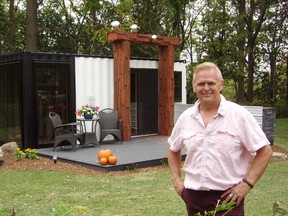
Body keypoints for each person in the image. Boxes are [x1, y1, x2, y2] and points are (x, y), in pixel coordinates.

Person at [168, 62, 273, 216]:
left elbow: (265, 151)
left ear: (221, 85)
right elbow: (173, 149)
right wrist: (177, 180)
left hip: (228, 198)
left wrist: (246, 184)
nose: (206, 88)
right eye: (201, 84)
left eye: (211, 83)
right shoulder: (186, 118)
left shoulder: (239, 115)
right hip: (192, 196)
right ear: (193, 86)